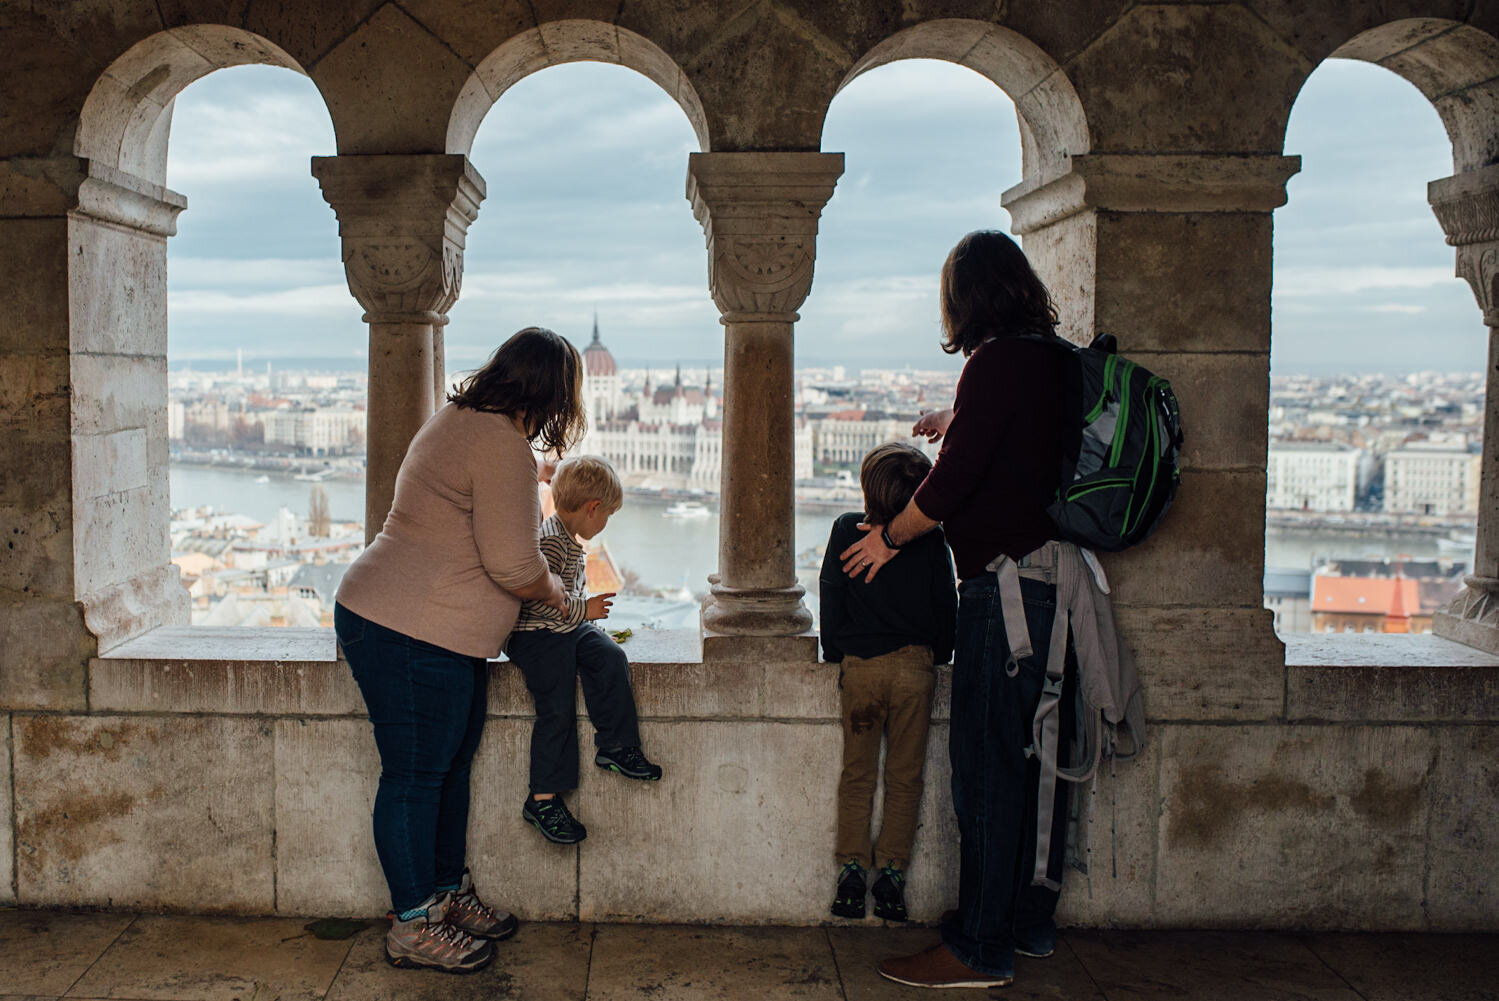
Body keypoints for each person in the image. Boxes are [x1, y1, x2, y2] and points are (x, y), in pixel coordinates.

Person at [839, 230, 1074, 990]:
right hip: (1052, 587)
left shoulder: (995, 361)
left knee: (985, 768)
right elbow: (1019, 448)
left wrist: (890, 538)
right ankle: (1025, 923)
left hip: (1001, 594)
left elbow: (955, 484)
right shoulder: (1052, 359)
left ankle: (977, 946)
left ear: (963, 298)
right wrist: (958, 420)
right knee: (1037, 764)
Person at [333, 327, 581, 974]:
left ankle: (443, 895)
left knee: (444, 769)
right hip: (410, 628)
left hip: (422, 627)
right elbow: (512, 563)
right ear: (553, 394)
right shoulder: (498, 443)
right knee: (416, 776)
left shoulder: (462, 419)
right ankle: (412, 923)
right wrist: (553, 587)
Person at [820, 442, 956, 924]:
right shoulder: (931, 538)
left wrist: (835, 651)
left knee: (857, 775)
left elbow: (831, 595)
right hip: (915, 669)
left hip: (861, 666)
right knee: (905, 777)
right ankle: (893, 877)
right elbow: (946, 603)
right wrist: (940, 654)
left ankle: (852, 875)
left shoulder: (844, 529)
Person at [506, 455, 662, 845]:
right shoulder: (549, 541)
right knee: (556, 707)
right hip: (537, 634)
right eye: (606, 515)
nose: (605, 523)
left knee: (610, 656)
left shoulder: (566, 539)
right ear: (593, 508)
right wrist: (584, 609)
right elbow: (537, 599)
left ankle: (616, 746)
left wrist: (584, 615)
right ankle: (543, 798)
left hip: (565, 626)